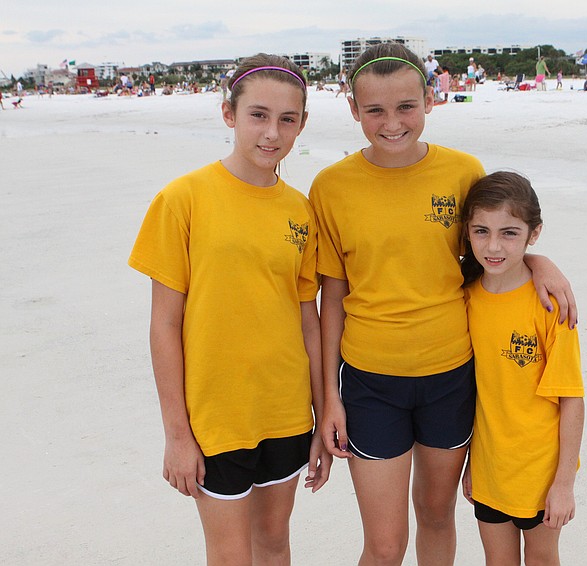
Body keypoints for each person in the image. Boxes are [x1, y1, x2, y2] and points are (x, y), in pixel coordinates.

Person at [309, 42, 577, 566]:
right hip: (369, 381)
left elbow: (491, 249)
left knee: (436, 516)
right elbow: (331, 299)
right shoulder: (331, 187)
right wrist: (329, 401)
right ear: (352, 109)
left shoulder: (462, 172)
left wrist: (540, 262)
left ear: (430, 99)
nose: (392, 123)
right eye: (375, 110)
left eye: (406, 106)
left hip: (451, 377)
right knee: (385, 546)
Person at [128, 53, 330, 565]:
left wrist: (322, 411)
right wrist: (177, 435)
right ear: (229, 115)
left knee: (274, 543)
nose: (272, 133)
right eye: (258, 115)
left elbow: (309, 321)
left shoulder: (300, 211)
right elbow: (163, 325)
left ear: (302, 124)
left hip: (285, 412)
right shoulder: (183, 199)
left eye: (287, 119)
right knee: (230, 554)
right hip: (216, 416)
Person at [459, 171, 585, 566]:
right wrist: (470, 464)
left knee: (542, 560)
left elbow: (571, 400)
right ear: (467, 231)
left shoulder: (550, 304)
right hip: (490, 469)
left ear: (534, 233)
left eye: (509, 233)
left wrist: (564, 484)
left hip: (540, 472)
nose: (493, 246)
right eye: (481, 231)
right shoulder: (464, 297)